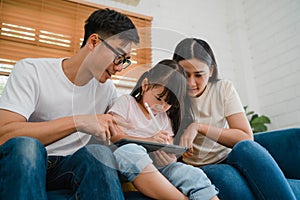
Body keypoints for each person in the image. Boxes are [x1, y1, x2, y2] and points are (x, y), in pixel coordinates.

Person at [0, 8, 139, 199]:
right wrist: (78, 121)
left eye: (125, 61)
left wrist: (156, 141)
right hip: (28, 161)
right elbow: (4, 135)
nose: (119, 68)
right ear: (94, 42)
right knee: (27, 146)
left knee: (98, 152)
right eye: (118, 57)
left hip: (69, 168)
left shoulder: (106, 90)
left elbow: (119, 134)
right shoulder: (31, 70)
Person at [172, 38, 299, 199]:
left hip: (229, 156)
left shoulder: (223, 88)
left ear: (210, 70)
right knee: (225, 177)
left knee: (247, 147)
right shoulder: (170, 96)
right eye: (185, 74)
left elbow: (246, 137)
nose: (191, 82)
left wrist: (199, 127)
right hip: (199, 166)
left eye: (198, 75)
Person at [108, 59, 219, 200]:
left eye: (169, 104)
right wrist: (148, 140)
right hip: (127, 163)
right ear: (145, 85)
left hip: (158, 168)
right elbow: (115, 136)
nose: (162, 106)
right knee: (129, 151)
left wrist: (170, 154)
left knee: (191, 173)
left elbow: (169, 143)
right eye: (159, 98)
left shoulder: (163, 117)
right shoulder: (127, 103)